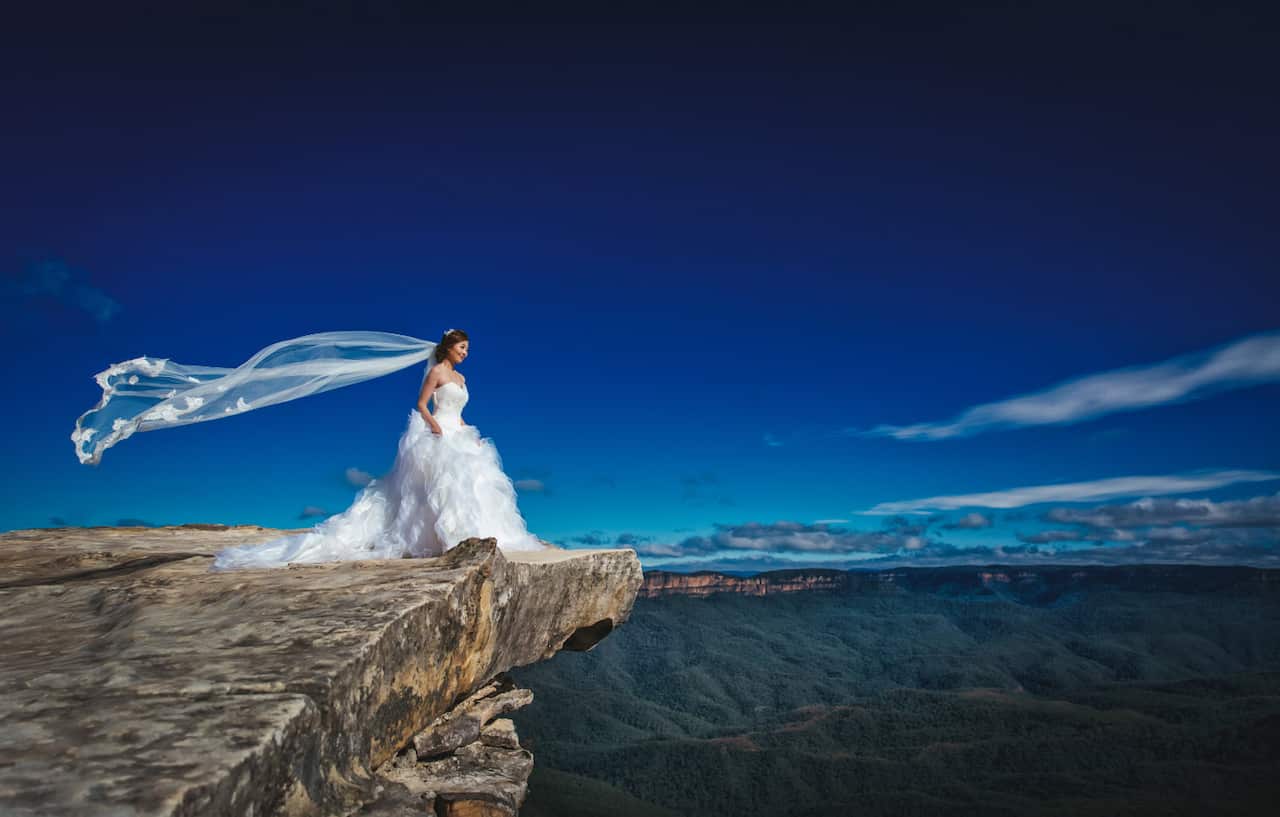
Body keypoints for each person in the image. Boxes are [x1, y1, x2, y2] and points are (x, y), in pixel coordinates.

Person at [70, 328, 549, 567]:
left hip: (461, 432)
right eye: (462, 347)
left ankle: (474, 537)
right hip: (439, 433)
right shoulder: (437, 373)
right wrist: (433, 426)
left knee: (471, 485)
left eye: (467, 349)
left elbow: (454, 404)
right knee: (441, 489)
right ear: (447, 347)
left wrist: (456, 425)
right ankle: (446, 541)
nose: (466, 354)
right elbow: (422, 404)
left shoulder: (462, 379)